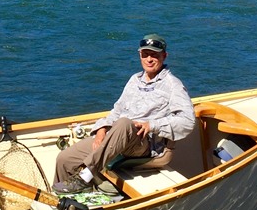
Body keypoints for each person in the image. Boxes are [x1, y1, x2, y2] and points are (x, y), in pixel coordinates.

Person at [53, 34, 196, 195]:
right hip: (118, 137)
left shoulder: (172, 85)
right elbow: (117, 111)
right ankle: (62, 203)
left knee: (124, 123)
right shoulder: (135, 80)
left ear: (164, 56)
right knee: (65, 159)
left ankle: (85, 177)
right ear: (139, 55)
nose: (149, 59)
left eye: (154, 55)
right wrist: (101, 130)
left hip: (143, 144)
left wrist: (152, 125)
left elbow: (187, 121)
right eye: (145, 54)